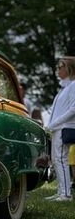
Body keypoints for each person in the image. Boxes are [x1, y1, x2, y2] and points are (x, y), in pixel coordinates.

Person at [44, 57, 75, 201]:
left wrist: (55, 123)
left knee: (61, 159)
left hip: (63, 128)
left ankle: (66, 194)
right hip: (57, 128)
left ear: (69, 68)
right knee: (57, 160)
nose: (58, 69)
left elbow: (73, 109)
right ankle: (61, 191)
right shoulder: (64, 88)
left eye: (61, 66)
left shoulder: (73, 86)